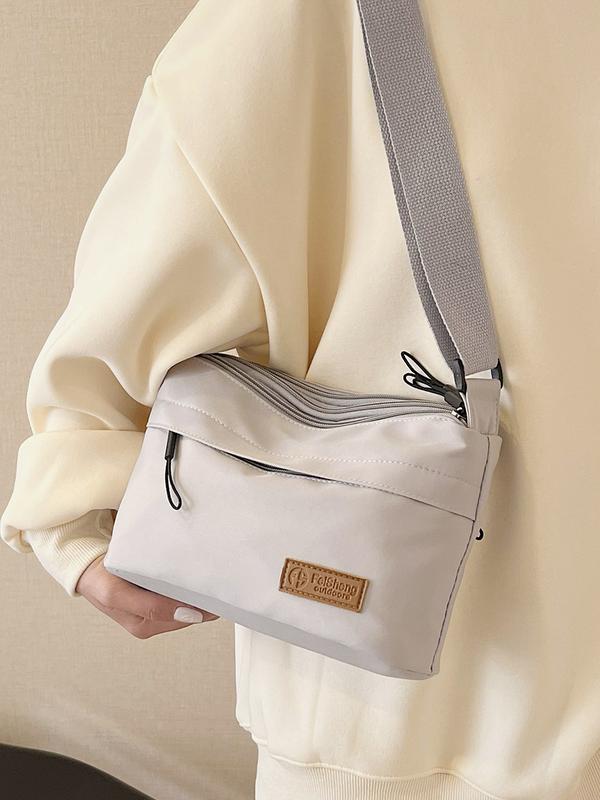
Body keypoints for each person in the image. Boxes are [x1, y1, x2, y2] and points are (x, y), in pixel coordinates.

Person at [2, 1, 600, 798]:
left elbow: (106, 370)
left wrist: (72, 518)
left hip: (417, 730)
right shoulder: (304, 17)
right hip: (425, 745)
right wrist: (71, 517)